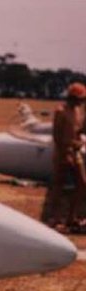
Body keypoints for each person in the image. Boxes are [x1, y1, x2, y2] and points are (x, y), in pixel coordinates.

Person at [41, 82, 86, 232]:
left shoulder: (79, 111)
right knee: (59, 188)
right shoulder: (60, 111)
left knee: (82, 184)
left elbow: (79, 130)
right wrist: (65, 154)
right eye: (79, 99)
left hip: (75, 152)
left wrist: (79, 141)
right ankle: (53, 219)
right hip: (62, 154)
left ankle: (72, 217)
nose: (81, 102)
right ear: (71, 98)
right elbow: (57, 136)